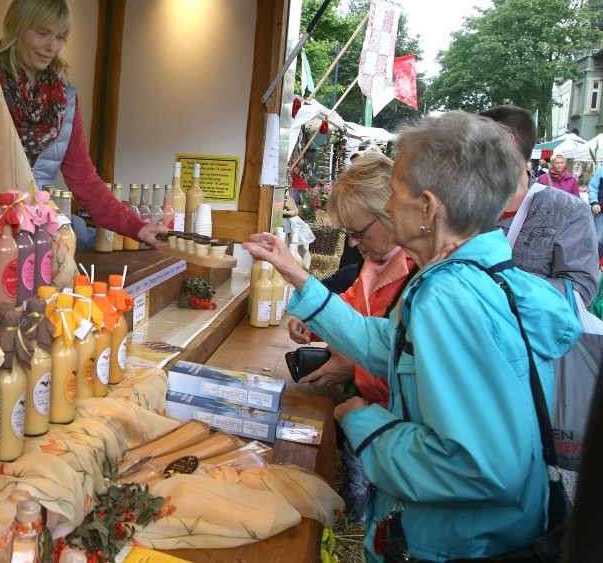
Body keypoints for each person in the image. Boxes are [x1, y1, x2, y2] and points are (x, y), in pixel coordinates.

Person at [244, 111, 580, 561]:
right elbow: (389, 345)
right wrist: (299, 278)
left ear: (427, 208)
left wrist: (366, 424)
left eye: (395, 191)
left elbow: (479, 469)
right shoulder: (479, 275)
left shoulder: (450, 297)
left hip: (451, 544)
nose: (387, 207)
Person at [0, 0, 165, 249]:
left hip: (35, 230)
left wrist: (135, 226)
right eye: (42, 33)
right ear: (17, 26)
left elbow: (83, 177)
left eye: (60, 37)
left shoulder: (63, 98)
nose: (52, 46)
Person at [287, 153, 416, 522]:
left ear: (390, 213)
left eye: (358, 232)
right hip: (375, 417)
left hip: (392, 425)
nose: (354, 243)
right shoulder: (376, 263)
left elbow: (400, 358)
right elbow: (353, 304)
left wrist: (352, 368)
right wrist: (313, 322)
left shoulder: (417, 274)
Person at [479, 105, 598, 304]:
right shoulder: (458, 205)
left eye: (472, 145)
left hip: (523, 325)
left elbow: (580, 292)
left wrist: (500, 284)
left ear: (506, 145)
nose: (463, 155)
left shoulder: (568, 212)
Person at [586, 163, 603, 259]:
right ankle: (594, 263)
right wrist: (594, 202)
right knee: (598, 240)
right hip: (601, 212)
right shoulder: (600, 171)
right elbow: (593, 188)